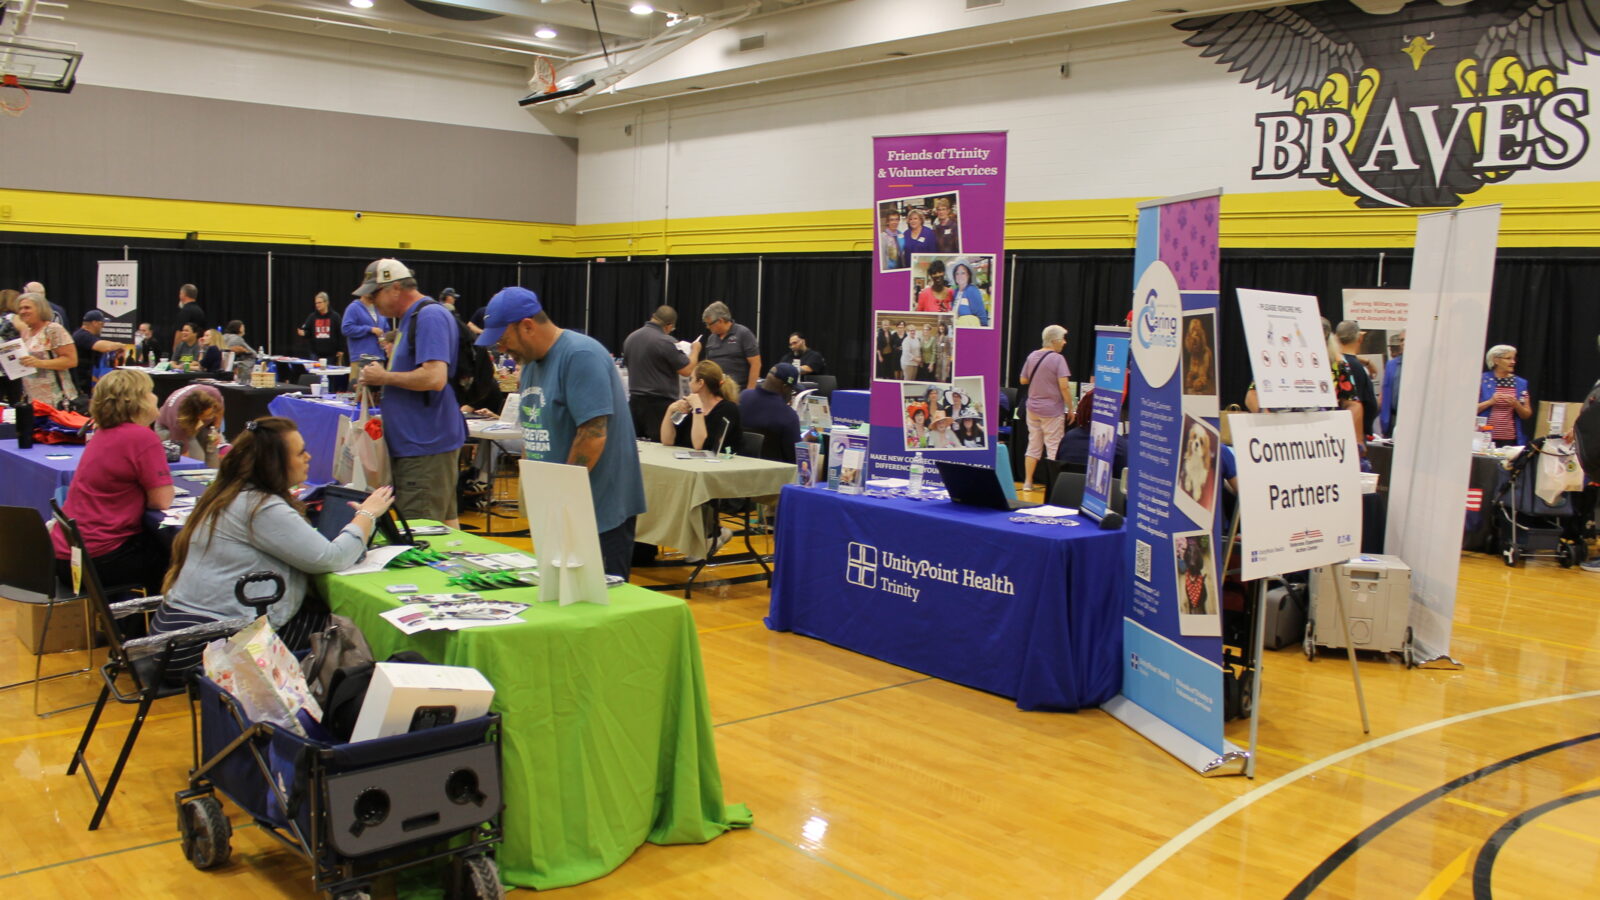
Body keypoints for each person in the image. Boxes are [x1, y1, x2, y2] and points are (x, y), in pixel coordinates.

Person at [151, 418, 396, 676]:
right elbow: (331, 558)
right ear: (274, 463)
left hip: (176, 635)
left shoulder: (228, 494)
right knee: (349, 629)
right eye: (300, 452)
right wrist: (366, 515)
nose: (308, 457)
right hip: (206, 647)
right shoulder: (260, 506)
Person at [476, 287, 646, 579]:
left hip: (596, 510)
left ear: (527, 326)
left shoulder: (580, 354)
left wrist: (563, 500)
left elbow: (593, 434)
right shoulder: (530, 365)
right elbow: (533, 428)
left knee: (597, 611)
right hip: (560, 510)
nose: (501, 350)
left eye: (503, 340)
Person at [355, 259, 467, 528]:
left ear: (395, 288)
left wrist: (383, 377)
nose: (370, 301)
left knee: (422, 534)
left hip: (424, 444)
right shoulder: (411, 319)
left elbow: (435, 377)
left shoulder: (428, 316)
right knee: (446, 531)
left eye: (374, 294)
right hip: (421, 443)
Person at [50, 369, 173, 600]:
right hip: (100, 557)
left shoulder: (103, 434)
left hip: (69, 555)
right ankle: (155, 629)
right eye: (150, 392)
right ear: (137, 401)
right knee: (178, 557)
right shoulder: (141, 437)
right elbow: (162, 500)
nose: (156, 397)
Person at [623, 305, 693, 441]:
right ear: (669, 325)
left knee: (637, 447)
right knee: (660, 447)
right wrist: (695, 350)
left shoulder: (630, 338)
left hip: (635, 403)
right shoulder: (666, 341)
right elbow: (687, 370)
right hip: (659, 406)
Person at [1019, 324, 1072, 492]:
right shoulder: (1058, 359)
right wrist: (1071, 407)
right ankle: (1053, 486)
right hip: (1052, 411)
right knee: (1053, 447)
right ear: (1055, 340)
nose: (1064, 342)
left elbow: (1023, 380)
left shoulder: (1032, 356)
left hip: (1032, 409)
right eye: (1063, 339)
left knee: (1033, 445)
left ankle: (1027, 482)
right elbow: (1064, 386)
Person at [12, 292, 79, 408]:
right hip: (32, 399)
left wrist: (40, 363)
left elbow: (71, 361)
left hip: (55, 400)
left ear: (40, 309)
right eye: (20, 308)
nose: (22, 311)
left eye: (27, 307)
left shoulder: (53, 329)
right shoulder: (25, 332)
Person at [661, 360, 741, 453]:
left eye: (691, 379)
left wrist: (698, 409)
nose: (689, 384)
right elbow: (667, 441)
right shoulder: (690, 406)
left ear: (700, 383)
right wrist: (670, 410)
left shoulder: (728, 409)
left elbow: (700, 445)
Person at [690, 301, 761, 390]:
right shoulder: (711, 338)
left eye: (709, 324)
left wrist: (750, 391)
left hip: (738, 390)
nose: (707, 327)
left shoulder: (744, 333)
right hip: (716, 392)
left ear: (720, 321)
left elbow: (756, 364)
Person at [739, 363, 802, 463]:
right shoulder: (789, 416)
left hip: (739, 467)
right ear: (785, 387)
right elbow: (795, 457)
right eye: (792, 390)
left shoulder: (742, 397)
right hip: (775, 475)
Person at [157, 382, 226, 466]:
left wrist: (216, 430)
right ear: (194, 415)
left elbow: (220, 410)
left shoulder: (214, 394)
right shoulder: (178, 421)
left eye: (212, 412)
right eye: (207, 415)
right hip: (167, 428)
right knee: (197, 458)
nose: (211, 417)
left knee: (212, 453)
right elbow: (184, 458)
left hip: (199, 426)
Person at [1479, 344, 1532, 447]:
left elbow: (1527, 414)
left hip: (1510, 440)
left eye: (1514, 358)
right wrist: (1490, 402)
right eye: (1508, 358)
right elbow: (1469, 411)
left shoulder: (1521, 383)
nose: (1513, 362)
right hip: (1483, 437)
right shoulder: (1482, 380)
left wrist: (1516, 404)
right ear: (1496, 360)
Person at [1336, 320, 1378, 436]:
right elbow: (1363, 404)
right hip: (1355, 433)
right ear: (1360, 339)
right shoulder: (1355, 367)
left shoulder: (1335, 362)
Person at [343, 263, 389, 366]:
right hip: (361, 359)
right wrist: (370, 329)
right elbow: (346, 328)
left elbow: (386, 329)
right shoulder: (354, 307)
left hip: (379, 358)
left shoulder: (380, 308)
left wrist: (386, 339)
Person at [71, 310, 125, 396]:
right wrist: (120, 345)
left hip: (86, 379)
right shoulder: (82, 335)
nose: (103, 326)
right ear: (94, 323)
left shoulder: (89, 336)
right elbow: (105, 347)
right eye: (102, 323)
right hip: (79, 381)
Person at [297, 292, 340, 362]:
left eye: (319, 303)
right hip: (315, 354)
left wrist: (340, 349)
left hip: (331, 355)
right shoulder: (312, 317)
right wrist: (304, 333)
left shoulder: (335, 317)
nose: (317, 305)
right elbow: (307, 331)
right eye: (316, 303)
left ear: (326, 302)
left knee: (329, 372)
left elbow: (340, 334)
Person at [1379, 330, 1404, 436]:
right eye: (1401, 340)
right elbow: (1385, 394)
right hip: (1393, 420)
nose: (1403, 343)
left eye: (1405, 340)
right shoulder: (1391, 365)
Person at [951, 262, 988, 326]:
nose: (960, 276)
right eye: (957, 273)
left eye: (963, 273)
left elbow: (982, 317)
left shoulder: (972, 290)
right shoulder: (955, 292)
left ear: (968, 275)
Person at [172, 284, 206, 353]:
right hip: (197, 349)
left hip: (185, 351)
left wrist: (175, 352)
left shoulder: (185, 311)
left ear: (183, 295)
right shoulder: (200, 311)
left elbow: (180, 333)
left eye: (180, 293)